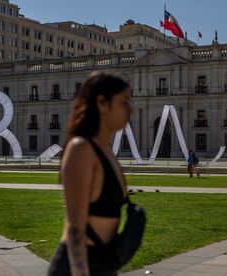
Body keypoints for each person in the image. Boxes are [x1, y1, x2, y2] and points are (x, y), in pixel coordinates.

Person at [48, 72, 132, 276]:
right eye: (124, 102)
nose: (131, 110)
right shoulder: (81, 149)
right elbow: (75, 225)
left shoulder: (106, 152)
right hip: (78, 265)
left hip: (104, 262)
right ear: (102, 103)